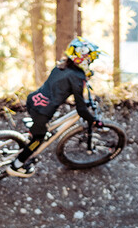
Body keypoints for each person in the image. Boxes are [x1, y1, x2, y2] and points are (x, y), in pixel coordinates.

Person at [7, 38, 103, 178]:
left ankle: (34, 128)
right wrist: (93, 120)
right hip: (42, 112)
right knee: (39, 139)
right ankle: (16, 165)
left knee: (39, 126)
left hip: (33, 100)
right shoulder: (77, 78)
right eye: (90, 60)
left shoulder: (61, 66)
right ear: (83, 59)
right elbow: (81, 110)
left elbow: (61, 83)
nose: (90, 63)